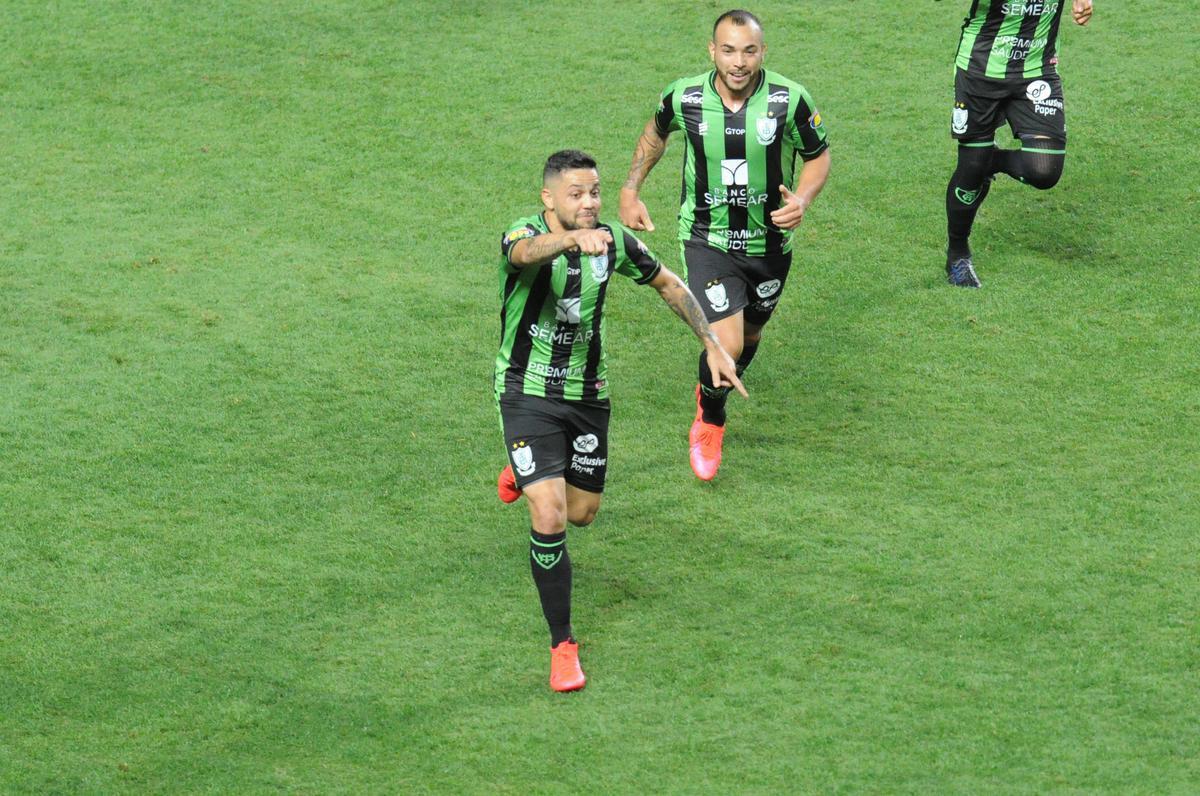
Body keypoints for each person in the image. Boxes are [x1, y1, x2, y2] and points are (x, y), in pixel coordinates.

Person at [494, 149, 744, 692]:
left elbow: (669, 284)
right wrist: (566, 240)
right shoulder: (526, 232)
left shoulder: (614, 242)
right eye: (575, 195)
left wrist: (713, 344)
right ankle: (563, 646)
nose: (588, 204)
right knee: (553, 513)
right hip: (526, 390)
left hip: (587, 394)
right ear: (549, 198)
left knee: (583, 513)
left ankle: (523, 469)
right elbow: (522, 254)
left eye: (594, 193)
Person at [619, 9, 830, 481]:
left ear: (762, 53)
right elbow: (655, 134)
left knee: (751, 335)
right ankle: (711, 420)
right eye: (729, 50)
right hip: (706, 238)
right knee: (727, 343)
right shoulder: (685, 96)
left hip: (771, 242)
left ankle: (708, 390)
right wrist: (631, 189)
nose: (738, 62)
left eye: (749, 50)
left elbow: (818, 157)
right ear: (712, 51)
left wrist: (804, 199)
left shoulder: (789, 99)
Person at [944, 0, 1095, 287]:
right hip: (980, 69)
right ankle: (957, 254)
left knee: (1044, 170)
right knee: (970, 170)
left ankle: (989, 161)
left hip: (1037, 69)